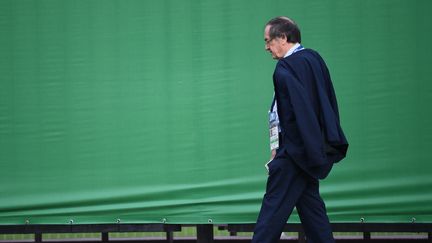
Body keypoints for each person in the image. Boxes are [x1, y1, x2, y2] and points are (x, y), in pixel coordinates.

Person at [252, 17, 349, 243]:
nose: (266, 47)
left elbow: (296, 114)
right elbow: (326, 103)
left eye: (268, 41)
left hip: (294, 154)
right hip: (311, 150)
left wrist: (281, 153)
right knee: (313, 213)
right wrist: (316, 151)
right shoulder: (314, 59)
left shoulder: (285, 68)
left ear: (283, 38)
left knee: (271, 212)